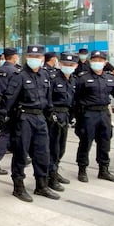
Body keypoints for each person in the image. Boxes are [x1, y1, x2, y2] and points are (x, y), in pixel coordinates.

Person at [0, 45, 58, 202]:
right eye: (32, 56)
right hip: (24, 119)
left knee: (42, 153)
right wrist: (4, 119)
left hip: (40, 118)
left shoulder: (44, 75)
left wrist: (50, 115)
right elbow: (8, 99)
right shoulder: (19, 76)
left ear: (43, 59)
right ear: (26, 58)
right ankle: (18, 187)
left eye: (38, 57)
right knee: (21, 153)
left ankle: (42, 185)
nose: (35, 59)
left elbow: (48, 98)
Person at [73, 50, 114, 182]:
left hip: (104, 114)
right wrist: (78, 118)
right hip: (88, 114)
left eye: (100, 60)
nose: (97, 63)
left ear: (105, 63)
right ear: (90, 62)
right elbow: (75, 99)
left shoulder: (109, 78)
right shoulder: (82, 78)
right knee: (85, 142)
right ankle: (82, 169)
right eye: (94, 60)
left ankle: (103, 169)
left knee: (105, 141)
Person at [46, 53, 78, 192]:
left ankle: (55, 171)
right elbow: (47, 98)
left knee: (61, 148)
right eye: (65, 64)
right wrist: (51, 114)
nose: (68, 67)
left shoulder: (73, 80)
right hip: (54, 115)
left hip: (65, 115)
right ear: (60, 64)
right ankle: (50, 177)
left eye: (71, 65)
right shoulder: (53, 78)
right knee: (53, 148)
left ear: (75, 66)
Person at [0, 47, 20, 175]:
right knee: (6, 134)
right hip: (10, 107)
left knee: (9, 133)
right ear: (14, 56)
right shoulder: (15, 71)